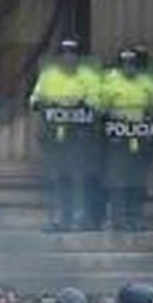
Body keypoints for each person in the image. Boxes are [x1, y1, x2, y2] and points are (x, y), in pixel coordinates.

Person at [30, 39, 100, 232]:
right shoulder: (48, 76)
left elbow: (96, 101)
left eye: (73, 54)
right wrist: (42, 104)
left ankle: (82, 219)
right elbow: (35, 99)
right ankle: (61, 220)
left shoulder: (89, 76)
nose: (69, 57)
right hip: (54, 136)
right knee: (59, 177)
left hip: (79, 136)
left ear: (78, 57)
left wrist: (80, 104)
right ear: (59, 57)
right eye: (65, 54)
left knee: (80, 177)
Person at [96, 47, 153, 232]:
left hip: (140, 139)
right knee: (117, 180)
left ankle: (135, 217)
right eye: (125, 64)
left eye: (132, 64)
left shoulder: (148, 84)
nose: (129, 68)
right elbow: (100, 112)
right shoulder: (109, 83)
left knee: (138, 180)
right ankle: (117, 218)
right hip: (118, 141)